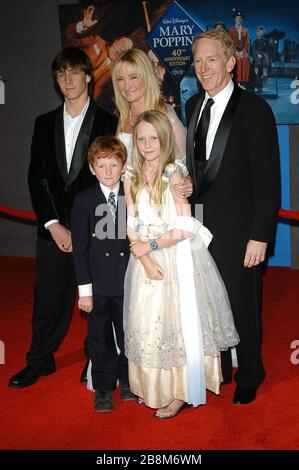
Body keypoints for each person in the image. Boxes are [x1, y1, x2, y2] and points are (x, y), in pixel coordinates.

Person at [8, 47, 117, 389]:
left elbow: (113, 176)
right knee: (48, 299)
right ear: (56, 80)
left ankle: (97, 361)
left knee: (102, 301)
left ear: (88, 76)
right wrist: (54, 224)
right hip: (54, 230)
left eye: (74, 73)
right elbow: (37, 177)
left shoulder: (109, 121)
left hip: (99, 226)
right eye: (61, 74)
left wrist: (102, 229)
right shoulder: (44, 123)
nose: (68, 80)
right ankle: (39, 360)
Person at [185, 28, 280, 404]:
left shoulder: (256, 109)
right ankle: (220, 368)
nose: (204, 68)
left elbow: (268, 179)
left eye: (211, 60)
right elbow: (199, 170)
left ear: (229, 62)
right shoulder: (193, 106)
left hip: (241, 229)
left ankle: (251, 373)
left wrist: (260, 235)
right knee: (209, 301)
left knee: (242, 303)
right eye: (198, 61)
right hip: (200, 225)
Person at [123, 110, 239, 418]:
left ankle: (179, 391)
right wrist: (144, 258)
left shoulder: (173, 175)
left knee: (177, 323)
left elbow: (186, 225)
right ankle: (152, 386)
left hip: (178, 256)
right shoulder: (130, 175)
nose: (147, 145)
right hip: (144, 260)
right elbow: (129, 222)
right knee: (148, 323)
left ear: (164, 139)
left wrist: (150, 246)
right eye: (141, 139)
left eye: (153, 138)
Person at [71, 136, 135, 412]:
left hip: (128, 280)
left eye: (114, 164)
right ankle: (103, 387)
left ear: (123, 166)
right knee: (99, 337)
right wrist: (84, 291)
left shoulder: (132, 195)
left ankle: (129, 380)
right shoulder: (84, 201)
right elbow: (80, 250)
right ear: (91, 168)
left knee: (128, 333)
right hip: (97, 284)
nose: (108, 171)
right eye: (101, 165)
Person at [111, 48, 187, 164]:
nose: (127, 86)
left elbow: (183, 166)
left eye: (134, 77)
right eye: (120, 79)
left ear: (147, 77)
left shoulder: (165, 115)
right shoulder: (124, 115)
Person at [65, 5, 133, 103]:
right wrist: (82, 26)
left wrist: (89, 105)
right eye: (123, 44)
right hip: (69, 84)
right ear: (115, 41)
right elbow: (71, 40)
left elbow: (98, 89)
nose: (123, 49)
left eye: (126, 49)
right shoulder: (97, 41)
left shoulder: (115, 70)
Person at [228, 10, 250, 88]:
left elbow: (247, 42)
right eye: (237, 18)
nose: (239, 20)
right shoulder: (231, 30)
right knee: (237, 60)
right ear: (234, 20)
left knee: (245, 60)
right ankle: (237, 82)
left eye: (240, 18)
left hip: (243, 51)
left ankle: (242, 82)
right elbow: (230, 42)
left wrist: (243, 51)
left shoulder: (246, 30)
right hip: (234, 50)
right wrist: (236, 52)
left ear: (242, 20)